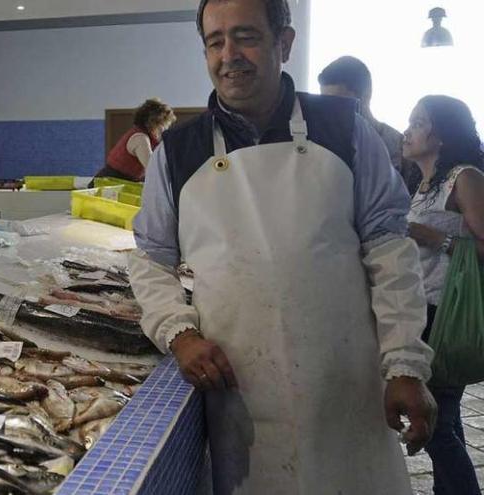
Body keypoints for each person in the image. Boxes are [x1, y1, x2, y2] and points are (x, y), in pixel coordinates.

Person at [128, 0, 436, 493]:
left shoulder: (344, 129)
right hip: (241, 395)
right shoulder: (177, 152)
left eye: (246, 36)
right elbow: (151, 259)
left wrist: (405, 364)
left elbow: (389, 250)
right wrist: (179, 334)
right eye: (215, 41)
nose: (230, 54)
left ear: (284, 43)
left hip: (346, 387)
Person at [403, 95, 484, 495]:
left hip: (446, 311)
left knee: (436, 424)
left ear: (442, 133)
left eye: (418, 122)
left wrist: (440, 239)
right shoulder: (424, 184)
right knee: (445, 422)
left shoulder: (464, 177)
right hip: (424, 308)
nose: (408, 130)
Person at [318, 56, 416, 187]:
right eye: (325, 103)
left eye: (338, 103)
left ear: (365, 96)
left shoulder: (399, 146)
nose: (330, 110)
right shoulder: (322, 144)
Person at [95, 98, 176, 182]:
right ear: (153, 122)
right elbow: (153, 169)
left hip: (119, 181)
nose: (164, 128)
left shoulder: (147, 136)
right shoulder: (140, 138)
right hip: (107, 182)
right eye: (163, 124)